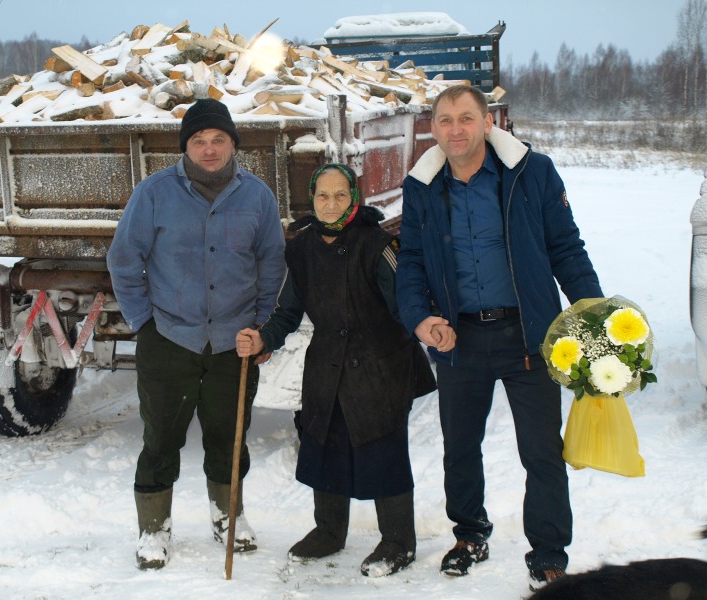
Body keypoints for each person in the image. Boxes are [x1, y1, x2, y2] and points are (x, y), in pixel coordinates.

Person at [395, 85, 603, 589]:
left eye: (466, 118)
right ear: (433, 128)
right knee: (460, 446)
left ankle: (549, 555)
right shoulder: (422, 186)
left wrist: (596, 317)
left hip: (528, 335)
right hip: (459, 339)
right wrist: (420, 319)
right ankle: (470, 534)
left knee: (541, 452)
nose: (456, 129)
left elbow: (566, 249)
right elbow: (413, 262)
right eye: (445, 120)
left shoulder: (532, 174)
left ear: (489, 123)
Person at [106, 98, 286, 570]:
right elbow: (124, 261)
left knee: (230, 436)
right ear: (186, 145)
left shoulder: (257, 197)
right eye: (199, 141)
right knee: (161, 436)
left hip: (234, 342)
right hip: (169, 338)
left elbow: (272, 263)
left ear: (233, 143)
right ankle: (154, 527)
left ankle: (228, 515)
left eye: (218, 140)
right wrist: (144, 324)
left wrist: (262, 326)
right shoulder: (154, 193)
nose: (209, 150)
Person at [236, 163, 436, 578]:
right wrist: (264, 339)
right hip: (327, 361)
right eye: (322, 196)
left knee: (383, 450)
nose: (330, 204)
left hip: (379, 362)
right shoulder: (303, 247)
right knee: (324, 443)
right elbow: (288, 310)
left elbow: (405, 304)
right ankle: (329, 530)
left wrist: (428, 325)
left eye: (340, 195)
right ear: (313, 199)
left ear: (354, 197)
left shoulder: (379, 245)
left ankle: (399, 540)